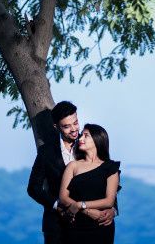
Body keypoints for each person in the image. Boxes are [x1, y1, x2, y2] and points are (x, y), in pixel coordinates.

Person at [28, 101, 116, 244]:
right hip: (57, 225)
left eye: (75, 123)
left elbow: (107, 174)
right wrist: (58, 205)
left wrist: (112, 209)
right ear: (56, 127)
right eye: (67, 126)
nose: (74, 129)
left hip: (92, 225)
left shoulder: (88, 142)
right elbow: (33, 188)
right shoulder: (46, 152)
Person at [58, 123, 120, 244]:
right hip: (75, 225)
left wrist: (81, 205)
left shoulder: (111, 167)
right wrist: (89, 212)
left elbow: (109, 201)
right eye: (81, 135)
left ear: (97, 139)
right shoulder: (73, 166)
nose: (80, 138)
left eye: (86, 136)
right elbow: (63, 197)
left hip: (101, 225)